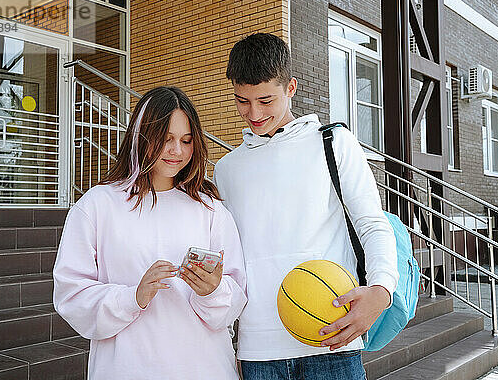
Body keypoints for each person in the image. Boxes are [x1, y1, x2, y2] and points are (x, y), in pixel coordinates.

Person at [213, 33, 399, 379]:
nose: (253, 113)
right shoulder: (226, 169)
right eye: (242, 101)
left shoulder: (333, 144)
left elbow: (372, 223)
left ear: (291, 88)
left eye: (266, 100)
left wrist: (381, 290)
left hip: (332, 338)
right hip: (258, 349)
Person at [53, 86, 247, 380]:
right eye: (166, 139)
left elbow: (235, 298)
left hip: (205, 369)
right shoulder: (97, 205)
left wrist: (212, 291)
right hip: (126, 369)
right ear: (141, 136)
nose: (177, 151)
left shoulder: (210, 209)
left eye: (186, 140)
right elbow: (71, 296)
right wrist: (134, 297)